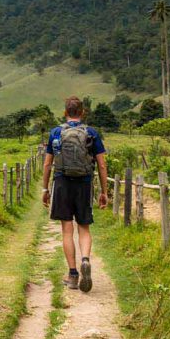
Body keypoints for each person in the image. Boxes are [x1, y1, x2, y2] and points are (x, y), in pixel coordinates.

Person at [41, 96, 108, 292]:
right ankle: (85, 259)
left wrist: (45, 189)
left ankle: (72, 275)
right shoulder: (92, 133)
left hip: (61, 182)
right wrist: (104, 191)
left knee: (67, 230)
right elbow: (102, 164)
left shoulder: (55, 133)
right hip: (84, 184)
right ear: (82, 112)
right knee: (84, 228)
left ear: (65, 112)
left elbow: (47, 164)